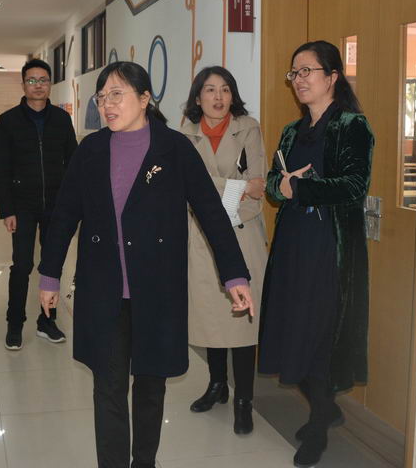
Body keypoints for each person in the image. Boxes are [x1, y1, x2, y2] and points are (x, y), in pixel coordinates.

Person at [38, 62, 256, 468]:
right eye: (101, 97)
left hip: (156, 290)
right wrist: (49, 275)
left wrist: (234, 274)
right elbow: (64, 214)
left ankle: (144, 462)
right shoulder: (91, 150)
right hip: (102, 290)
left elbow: (211, 212)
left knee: (151, 387)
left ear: (144, 99)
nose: (107, 105)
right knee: (108, 388)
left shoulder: (174, 149)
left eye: (116, 94)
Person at [258, 40, 374, 468]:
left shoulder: (351, 126)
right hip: (293, 243)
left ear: (333, 77)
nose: (299, 79)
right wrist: (282, 186)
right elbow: (274, 184)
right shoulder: (292, 131)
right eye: (294, 73)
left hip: (329, 248)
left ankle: (320, 422)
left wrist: (299, 187)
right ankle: (325, 410)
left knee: (321, 335)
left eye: (307, 71)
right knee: (291, 329)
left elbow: (354, 186)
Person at [180, 66, 268, 435]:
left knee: (242, 318)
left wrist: (217, 191)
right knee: (211, 316)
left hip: (242, 232)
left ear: (233, 95)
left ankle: (244, 400)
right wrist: (234, 187)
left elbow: (258, 187)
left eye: (225, 89)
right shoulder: (185, 133)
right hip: (201, 238)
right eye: (210, 90)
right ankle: (217, 385)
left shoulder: (248, 127)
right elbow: (184, 186)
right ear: (198, 97)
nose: (218, 97)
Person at [0, 59, 77, 350]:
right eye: (32, 80)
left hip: (56, 204)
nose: (38, 85)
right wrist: (7, 210)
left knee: (52, 264)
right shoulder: (8, 121)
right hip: (22, 205)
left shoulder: (61, 119)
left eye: (43, 80)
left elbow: (73, 162)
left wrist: (72, 203)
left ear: (50, 84)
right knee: (22, 265)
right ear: (23, 84)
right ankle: (15, 323)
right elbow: (1, 168)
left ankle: (47, 322)